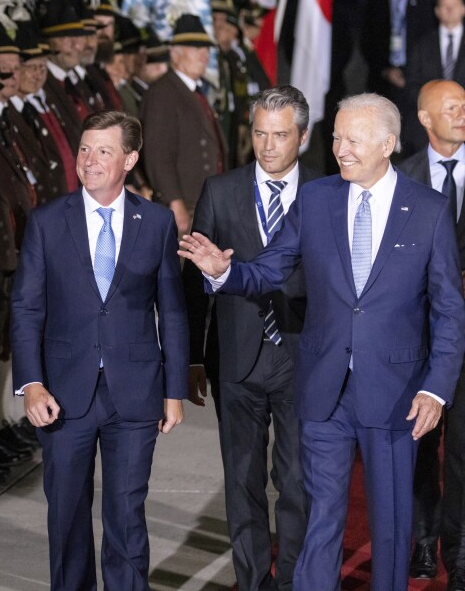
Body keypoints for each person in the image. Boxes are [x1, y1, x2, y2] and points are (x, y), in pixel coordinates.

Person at [179, 93, 465, 590]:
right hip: (322, 388)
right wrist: (227, 273)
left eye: (352, 139)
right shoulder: (317, 198)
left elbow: (447, 310)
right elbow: (273, 266)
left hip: (397, 392)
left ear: (387, 145)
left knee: (392, 524)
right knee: (319, 517)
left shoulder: (428, 210)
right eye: (335, 137)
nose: (340, 149)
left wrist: (437, 388)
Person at [11, 110, 189, 590]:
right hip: (64, 396)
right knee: (66, 515)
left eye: (103, 151)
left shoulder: (155, 223)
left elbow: (171, 310)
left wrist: (175, 390)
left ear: (130, 158)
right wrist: (30, 384)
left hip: (135, 393)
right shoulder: (47, 222)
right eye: (85, 149)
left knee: (127, 514)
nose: (89, 161)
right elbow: (26, 308)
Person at [184, 86, 317, 591]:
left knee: (298, 482)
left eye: (280, 135)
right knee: (242, 482)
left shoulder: (326, 193)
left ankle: (294, 582)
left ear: (301, 137)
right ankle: (253, 581)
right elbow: (196, 286)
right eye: (260, 133)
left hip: (303, 357)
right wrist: (193, 358)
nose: (268, 145)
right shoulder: (220, 191)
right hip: (235, 358)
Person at [397, 79, 465, 584]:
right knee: (422, 443)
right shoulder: (402, 179)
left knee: (462, 449)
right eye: (451, 107)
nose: (462, 114)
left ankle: (459, 550)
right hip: (420, 336)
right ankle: (423, 540)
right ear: (424, 118)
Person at [141, 14, 227, 235]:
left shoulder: (195, 91)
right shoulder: (162, 92)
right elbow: (157, 155)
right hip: (184, 204)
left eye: (206, 49)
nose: (204, 55)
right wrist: (174, 200)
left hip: (204, 201)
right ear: (175, 53)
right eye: (196, 49)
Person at [406, 0, 465, 153]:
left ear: (463, 9)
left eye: (454, 5)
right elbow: (411, 84)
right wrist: (436, 109)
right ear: (437, 11)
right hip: (427, 134)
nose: (450, 9)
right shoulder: (422, 45)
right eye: (445, 5)